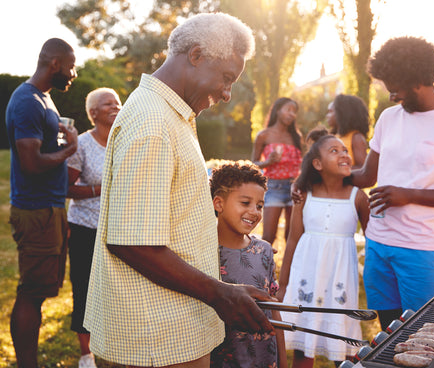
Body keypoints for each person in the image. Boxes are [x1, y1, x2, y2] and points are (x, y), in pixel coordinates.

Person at [84, 13, 276, 368]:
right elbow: (133, 242)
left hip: (169, 330)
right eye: (227, 78)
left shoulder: (171, 115)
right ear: (197, 55)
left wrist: (228, 290)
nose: (227, 93)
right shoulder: (153, 124)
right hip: (153, 340)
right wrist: (222, 294)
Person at [351, 36, 434, 330]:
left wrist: (407, 195)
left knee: (422, 334)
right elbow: (367, 176)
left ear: (417, 81)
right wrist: (315, 174)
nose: (391, 96)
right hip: (378, 244)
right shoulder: (388, 118)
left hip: (422, 250)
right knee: (388, 334)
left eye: (394, 88)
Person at [5, 38, 78, 368]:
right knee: (31, 292)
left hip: (50, 207)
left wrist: (63, 140)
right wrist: (68, 151)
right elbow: (31, 162)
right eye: (71, 66)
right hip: (35, 209)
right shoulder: (27, 101)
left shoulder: (44, 99)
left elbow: (46, 146)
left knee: (41, 290)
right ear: (55, 64)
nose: (73, 73)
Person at [277, 129, 369, 367]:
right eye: (334, 151)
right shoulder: (304, 195)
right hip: (307, 278)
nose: (344, 155)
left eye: (345, 150)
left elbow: (373, 240)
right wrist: (284, 284)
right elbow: (293, 240)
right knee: (303, 344)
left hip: (340, 279)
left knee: (344, 347)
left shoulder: (357, 197)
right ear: (317, 163)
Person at [209, 161, 288, 368]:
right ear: (219, 204)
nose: (254, 212)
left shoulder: (264, 251)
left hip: (263, 357)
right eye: (245, 203)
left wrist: (283, 360)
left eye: (260, 205)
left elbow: (273, 308)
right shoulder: (204, 252)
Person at [66, 88, 122, 368]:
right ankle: (86, 354)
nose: (115, 106)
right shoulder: (81, 145)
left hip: (119, 231)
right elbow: (67, 188)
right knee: (84, 288)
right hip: (85, 229)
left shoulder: (126, 140)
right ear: (93, 113)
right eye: (107, 103)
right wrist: (101, 188)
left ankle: (113, 345)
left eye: (117, 102)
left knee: (116, 290)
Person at [251, 97, 303, 250]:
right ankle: (262, 270)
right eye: (288, 109)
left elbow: (302, 162)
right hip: (273, 187)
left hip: (294, 188)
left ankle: (291, 272)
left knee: (292, 236)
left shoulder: (296, 137)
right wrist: (268, 162)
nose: (292, 114)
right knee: (268, 236)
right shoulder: (264, 135)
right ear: (278, 110)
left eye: (294, 111)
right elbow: (253, 163)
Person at [325, 94, 369, 168]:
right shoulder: (332, 137)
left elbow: (363, 169)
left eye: (330, 111)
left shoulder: (356, 138)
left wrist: (338, 170)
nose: (327, 115)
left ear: (342, 113)